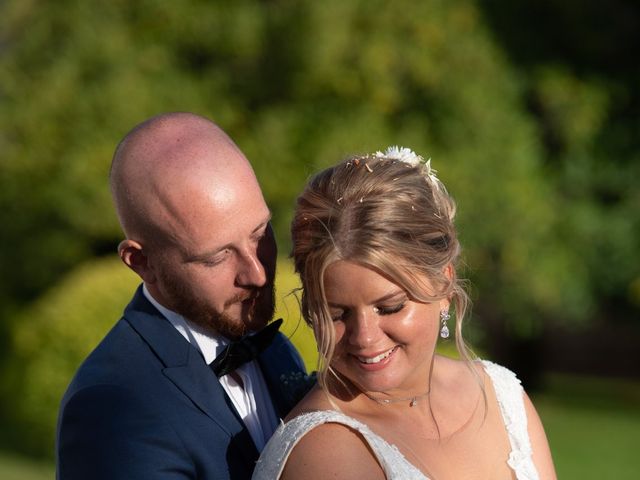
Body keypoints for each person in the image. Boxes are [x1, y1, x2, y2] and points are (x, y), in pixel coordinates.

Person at [252, 147, 557, 479]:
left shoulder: (503, 396)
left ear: (443, 284)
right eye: (337, 313)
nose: (364, 337)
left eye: (389, 307)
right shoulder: (325, 452)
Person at [56, 112, 306, 479]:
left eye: (259, 232)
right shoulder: (113, 406)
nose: (257, 273)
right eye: (216, 256)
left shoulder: (275, 349)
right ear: (142, 263)